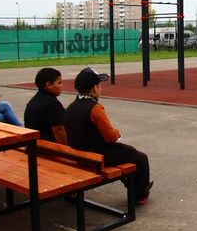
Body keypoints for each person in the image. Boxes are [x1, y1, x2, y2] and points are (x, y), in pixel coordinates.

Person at [64, 67, 153, 205]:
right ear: (94, 88)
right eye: (99, 85)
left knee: (128, 152)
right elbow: (110, 136)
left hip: (79, 154)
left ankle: (134, 187)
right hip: (98, 155)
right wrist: (117, 132)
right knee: (139, 157)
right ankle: (141, 194)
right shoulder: (95, 108)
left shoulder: (70, 107)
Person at [24, 68, 67, 143]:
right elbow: (59, 131)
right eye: (59, 83)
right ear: (49, 85)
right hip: (46, 148)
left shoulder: (34, 100)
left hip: (33, 144)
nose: (62, 86)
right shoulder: (53, 104)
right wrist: (68, 151)